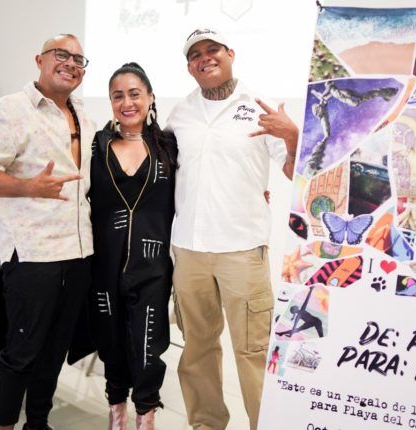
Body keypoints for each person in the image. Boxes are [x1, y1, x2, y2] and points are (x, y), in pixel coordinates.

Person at [165, 27, 299, 430]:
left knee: (254, 351)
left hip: (242, 250)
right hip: (188, 250)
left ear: (230, 54)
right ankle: (206, 424)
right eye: (195, 55)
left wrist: (292, 136)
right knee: (197, 349)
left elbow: (295, 172)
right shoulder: (180, 114)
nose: (205, 58)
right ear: (189, 67)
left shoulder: (258, 107)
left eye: (213, 49)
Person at [0, 34, 95, 430]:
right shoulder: (10, 110)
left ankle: (37, 423)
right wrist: (29, 187)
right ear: (39, 60)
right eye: (62, 54)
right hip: (34, 255)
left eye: (79, 59)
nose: (71, 63)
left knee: (55, 351)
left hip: (78, 253)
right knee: (22, 353)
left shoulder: (85, 116)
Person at [88, 62, 177, 430]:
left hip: (151, 264)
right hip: (105, 261)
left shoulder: (168, 145)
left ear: (150, 97)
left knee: (147, 344)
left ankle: (145, 415)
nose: (127, 102)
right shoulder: (97, 144)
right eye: (118, 96)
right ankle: (116, 413)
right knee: (110, 341)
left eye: (135, 94)